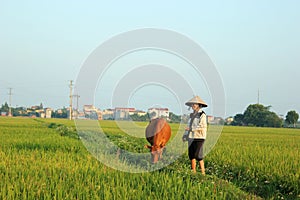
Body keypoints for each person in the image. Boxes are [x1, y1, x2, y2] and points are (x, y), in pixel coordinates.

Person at [182, 95, 208, 175]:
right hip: (191, 137)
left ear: (199, 105)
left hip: (199, 137)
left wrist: (191, 129)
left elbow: (202, 126)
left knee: (198, 155)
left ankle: (203, 173)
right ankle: (193, 172)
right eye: (192, 104)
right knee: (191, 155)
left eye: (195, 104)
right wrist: (185, 135)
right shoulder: (191, 115)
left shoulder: (202, 115)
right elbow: (188, 126)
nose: (193, 106)